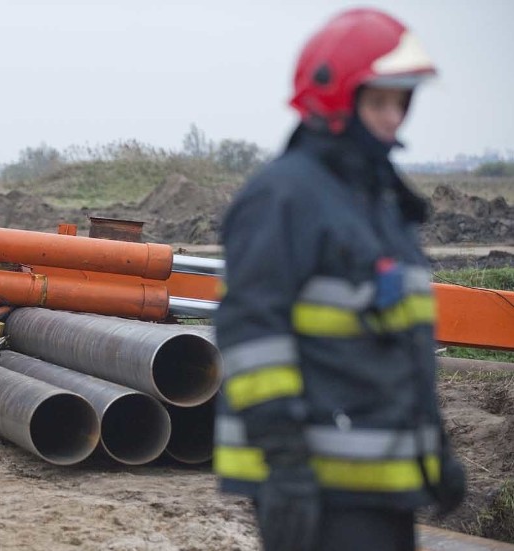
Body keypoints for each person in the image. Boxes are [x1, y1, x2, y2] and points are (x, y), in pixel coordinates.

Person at [212, 8, 465, 551]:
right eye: (378, 101)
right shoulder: (285, 197)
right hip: (317, 483)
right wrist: (286, 464)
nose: (394, 117)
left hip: (380, 482)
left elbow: (395, 347)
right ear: (334, 100)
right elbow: (253, 335)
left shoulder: (378, 201)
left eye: (401, 101)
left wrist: (434, 450)